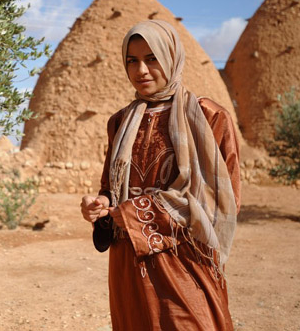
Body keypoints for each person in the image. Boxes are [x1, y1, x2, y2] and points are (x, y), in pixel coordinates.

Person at [80, 19, 241, 331]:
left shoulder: (209, 117)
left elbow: (223, 198)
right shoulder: (120, 122)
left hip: (185, 262)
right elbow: (111, 187)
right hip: (129, 263)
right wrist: (101, 205)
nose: (141, 70)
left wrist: (135, 213)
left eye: (152, 58)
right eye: (132, 60)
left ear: (171, 58)